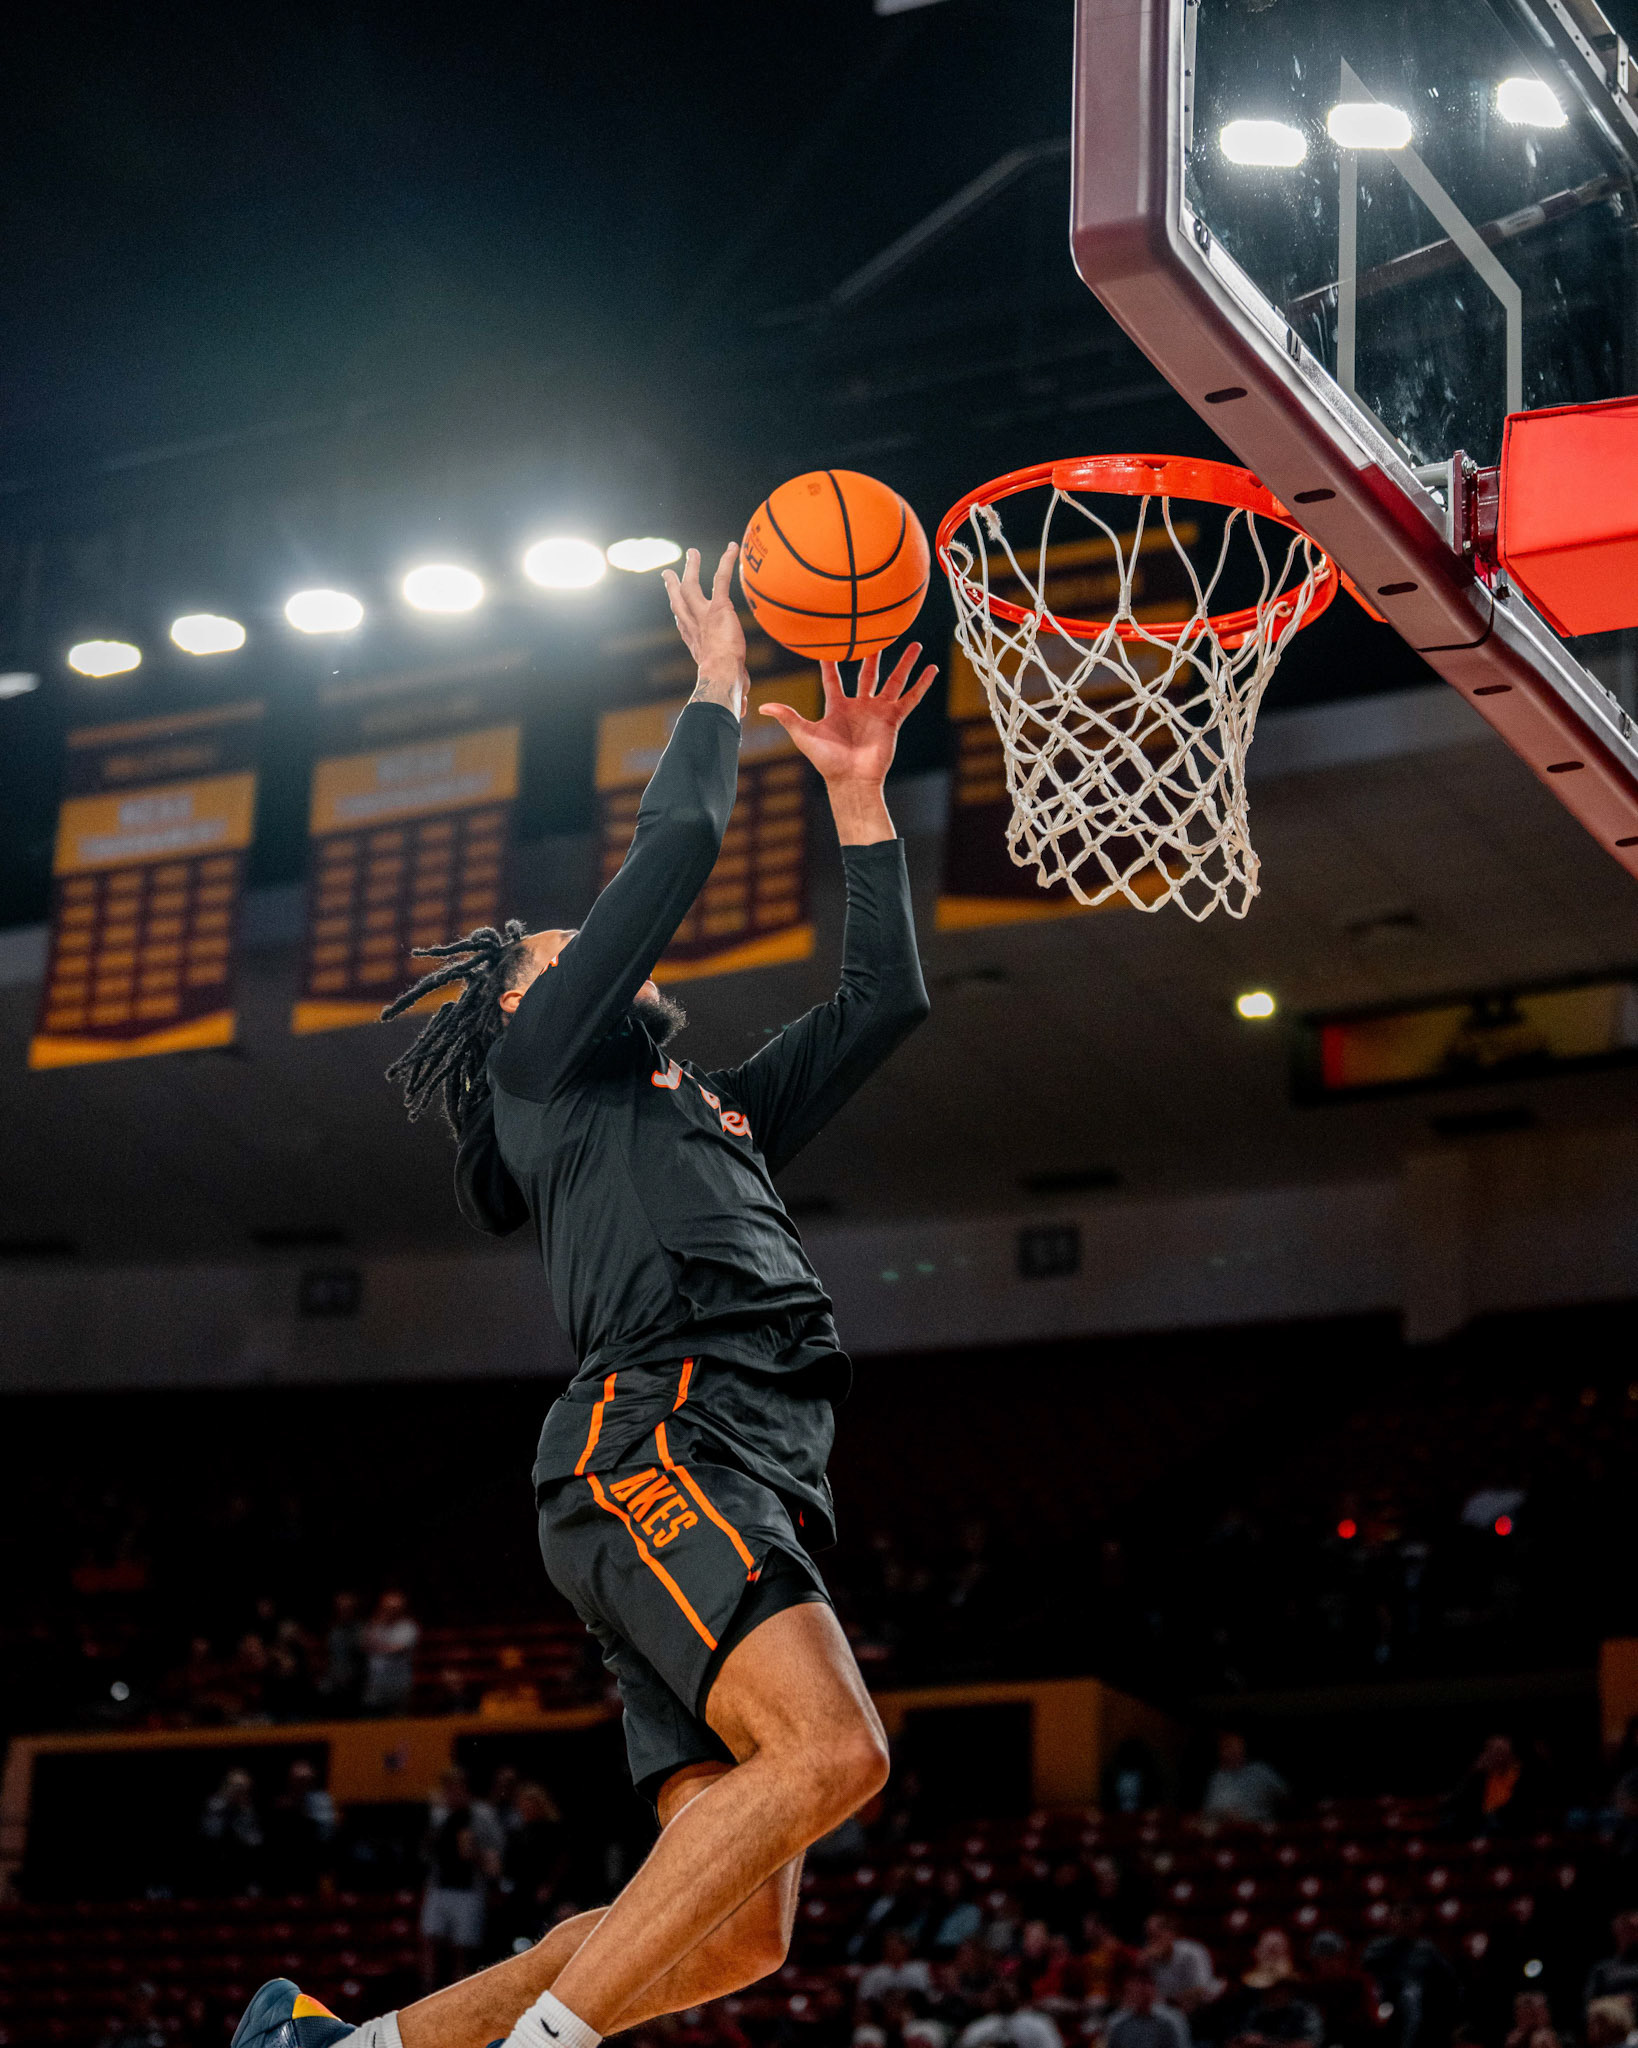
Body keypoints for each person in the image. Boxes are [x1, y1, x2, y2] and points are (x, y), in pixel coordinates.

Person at [233, 543, 934, 2048]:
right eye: (554, 946)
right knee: (835, 1754)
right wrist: (715, 684)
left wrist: (860, 799)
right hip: (659, 1433)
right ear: (516, 999)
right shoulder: (537, 1059)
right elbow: (674, 848)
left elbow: (885, 1002)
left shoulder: (708, 1107)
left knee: (729, 1926)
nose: (579, 941)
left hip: (751, 1461)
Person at [421, 1768, 504, 1991]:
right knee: (431, 1939)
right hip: (440, 1886)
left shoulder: (482, 1815)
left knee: (461, 1948)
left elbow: (495, 1853)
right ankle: (428, 1991)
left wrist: (476, 1854)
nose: (452, 1793)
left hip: (469, 1889)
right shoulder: (439, 1815)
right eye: (448, 1789)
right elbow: (427, 1850)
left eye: (456, 1788)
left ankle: (459, 1992)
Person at [1142, 1914, 1223, 2016]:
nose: (1153, 1942)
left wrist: (1171, 2001)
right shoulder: (1149, 1960)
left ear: (1170, 1934)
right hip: (1173, 2010)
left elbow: (1201, 1989)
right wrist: (1141, 1966)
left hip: (1209, 2006)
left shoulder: (1191, 1951)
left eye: (1157, 1936)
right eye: (1149, 1937)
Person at [1201, 1733, 1288, 1825]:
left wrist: (1269, 1797)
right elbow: (1209, 1808)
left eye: (1237, 1747)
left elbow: (1285, 1795)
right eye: (1228, 1747)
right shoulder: (1217, 1777)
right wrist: (1226, 1813)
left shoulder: (1261, 1770)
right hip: (1227, 1827)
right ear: (1221, 1751)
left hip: (1259, 1825)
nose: (1233, 1751)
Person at [361, 1591, 420, 1715]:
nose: (391, 1611)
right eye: (387, 1607)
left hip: (398, 1684)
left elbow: (398, 1649)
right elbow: (364, 1644)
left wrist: (376, 1648)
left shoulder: (408, 1627)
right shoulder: (374, 1625)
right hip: (375, 1683)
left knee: (399, 1722)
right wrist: (376, 1622)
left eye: (395, 1608)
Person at [1105, 1971, 1189, 2048]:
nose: (1136, 1994)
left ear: (1151, 1989)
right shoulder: (1118, 2022)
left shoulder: (1171, 2020)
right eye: (1131, 1991)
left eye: (1140, 1989)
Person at [860, 1931, 936, 2004]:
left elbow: (932, 1996)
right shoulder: (874, 1973)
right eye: (890, 1946)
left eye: (898, 1945)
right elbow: (864, 2000)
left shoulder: (922, 1968)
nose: (894, 1950)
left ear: (907, 1947)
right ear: (884, 1949)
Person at [1587, 1914, 1638, 2006]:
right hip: (1609, 2012)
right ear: (1617, 1931)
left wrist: (1631, 2000)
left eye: (1635, 1929)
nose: (1633, 1935)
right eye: (1628, 1929)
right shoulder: (1603, 1969)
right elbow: (1590, 2001)